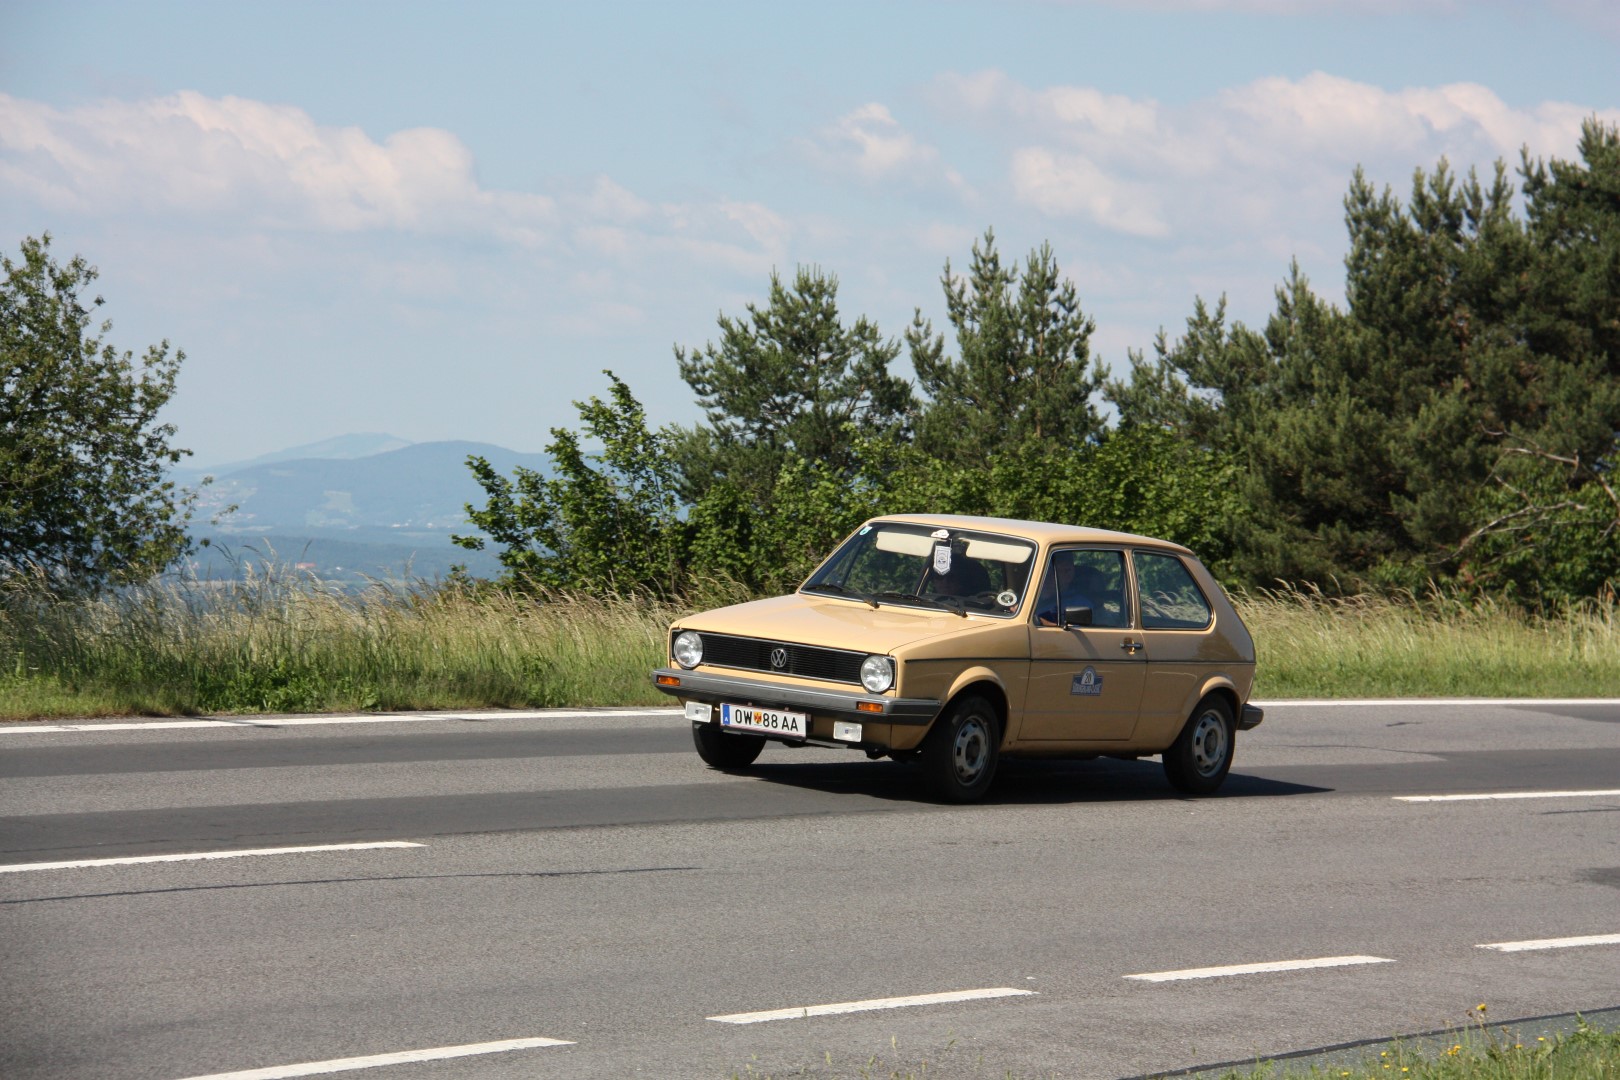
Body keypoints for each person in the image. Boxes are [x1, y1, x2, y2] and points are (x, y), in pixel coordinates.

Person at [1036, 552, 1093, 626]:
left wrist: (1038, 621)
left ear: (1069, 573)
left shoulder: (1079, 603)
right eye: (1046, 568)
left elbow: (1072, 633)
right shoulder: (1027, 598)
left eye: (1052, 569)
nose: (1047, 574)